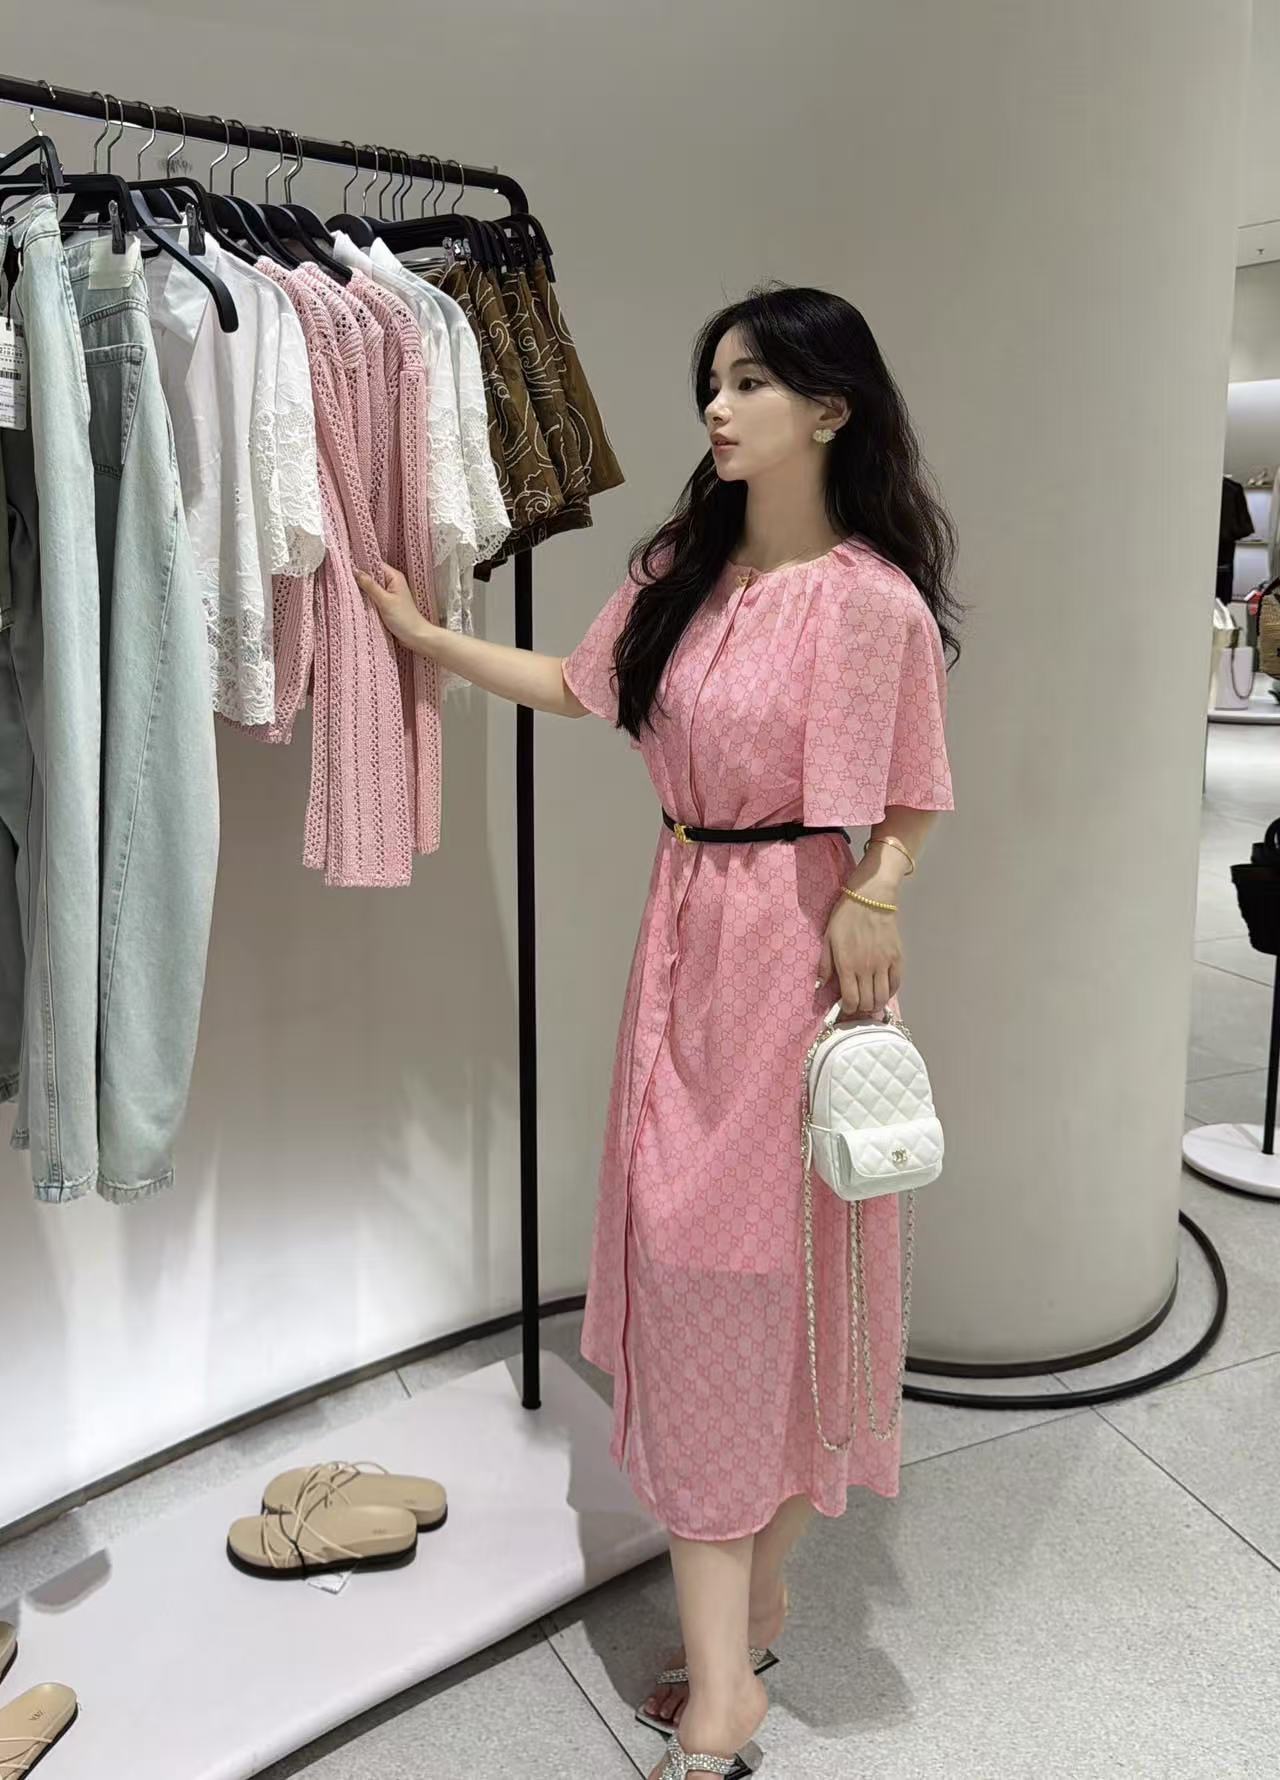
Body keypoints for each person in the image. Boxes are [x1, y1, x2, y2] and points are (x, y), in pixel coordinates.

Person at [359, 283, 963, 1780]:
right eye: (715, 379)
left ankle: (724, 1693)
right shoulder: (679, 569)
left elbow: (910, 793)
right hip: (686, 934)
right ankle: (743, 1619)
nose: (717, 405)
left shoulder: (873, 602)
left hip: (801, 958)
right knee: (699, 1283)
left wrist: (877, 892)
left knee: (794, 1288)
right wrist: (426, 637)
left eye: (751, 381)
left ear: (831, 408)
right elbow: (579, 688)